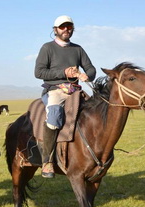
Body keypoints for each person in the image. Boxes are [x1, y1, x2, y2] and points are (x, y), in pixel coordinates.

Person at [35, 15, 96, 178]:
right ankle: (47, 161)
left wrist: (86, 76)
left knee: (96, 113)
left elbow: (91, 69)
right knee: (54, 116)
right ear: (55, 30)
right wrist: (64, 72)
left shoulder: (78, 49)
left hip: (75, 90)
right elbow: (39, 72)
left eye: (69, 27)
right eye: (62, 27)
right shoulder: (47, 48)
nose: (66, 30)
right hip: (55, 90)